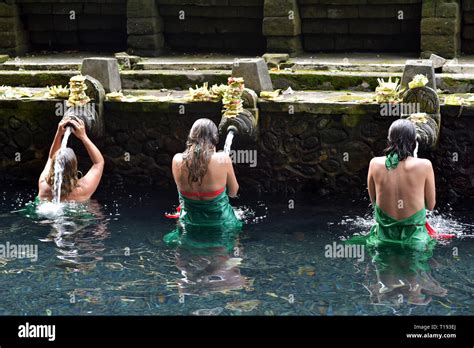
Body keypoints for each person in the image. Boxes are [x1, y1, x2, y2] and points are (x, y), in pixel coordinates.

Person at [163, 118, 242, 249]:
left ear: (191, 137)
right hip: (220, 223)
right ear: (215, 139)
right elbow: (234, 192)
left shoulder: (177, 160)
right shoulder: (222, 158)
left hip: (190, 223)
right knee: (232, 256)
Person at [37, 116, 104, 203]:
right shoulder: (83, 189)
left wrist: (59, 133)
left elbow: (50, 157)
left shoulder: (43, 184)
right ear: (74, 167)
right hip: (76, 214)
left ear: (54, 165)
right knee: (94, 206)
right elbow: (99, 163)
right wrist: (84, 137)